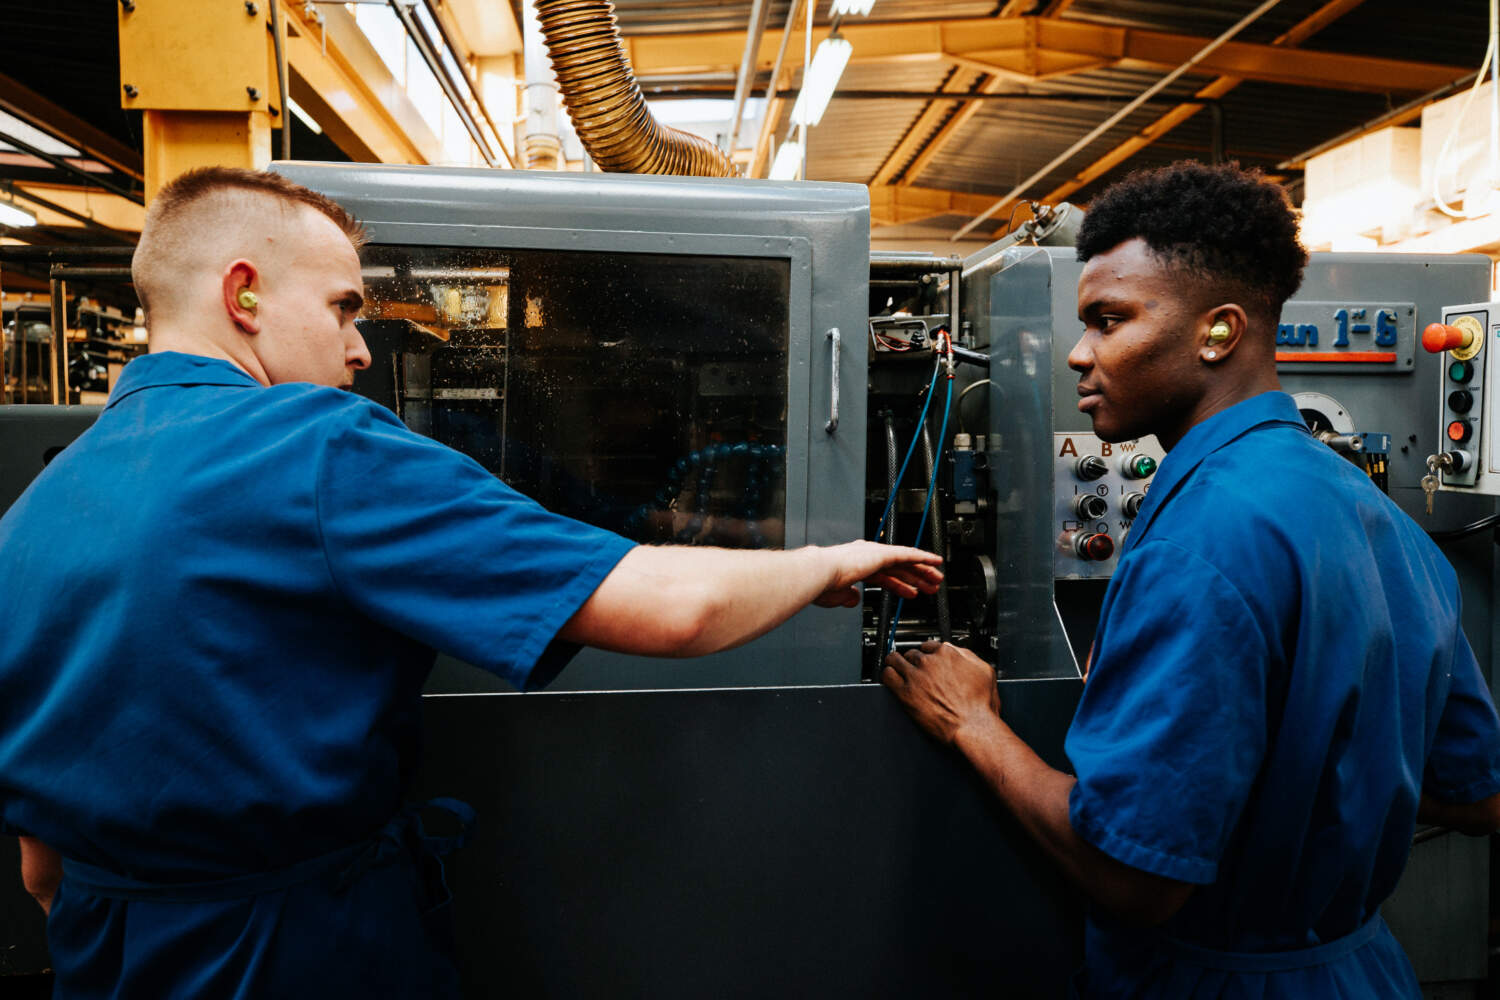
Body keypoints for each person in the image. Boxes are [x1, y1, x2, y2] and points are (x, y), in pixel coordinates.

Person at [0, 166, 942, 999]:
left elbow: (40, 863)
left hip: (107, 948)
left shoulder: (42, 501)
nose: (362, 351)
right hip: (294, 952)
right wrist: (828, 560)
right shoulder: (317, 446)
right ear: (243, 294)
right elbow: (672, 607)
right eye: (343, 308)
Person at [882, 161, 1500, 996]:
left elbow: (1135, 879)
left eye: (1109, 320)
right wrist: (1296, 788)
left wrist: (975, 726)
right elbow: (1472, 793)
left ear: (1219, 332)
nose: (1077, 353)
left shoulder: (1196, 548)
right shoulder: (1380, 518)